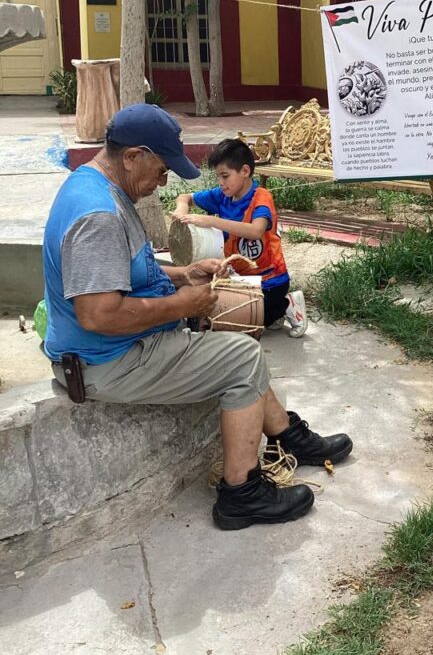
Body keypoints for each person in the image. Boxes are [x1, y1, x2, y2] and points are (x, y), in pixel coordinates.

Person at [42, 103, 352, 531]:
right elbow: (98, 314)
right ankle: (241, 495)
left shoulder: (93, 186)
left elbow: (121, 272)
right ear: (132, 156)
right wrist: (183, 305)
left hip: (108, 351)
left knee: (235, 351)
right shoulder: (98, 215)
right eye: (162, 169)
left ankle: (290, 438)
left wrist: (182, 274)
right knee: (244, 358)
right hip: (106, 361)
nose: (163, 181)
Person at [172, 138, 307, 337]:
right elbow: (185, 197)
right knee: (209, 306)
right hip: (238, 277)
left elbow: (255, 231)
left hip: (269, 281)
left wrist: (211, 221)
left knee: (234, 321)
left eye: (225, 176)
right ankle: (271, 315)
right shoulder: (222, 196)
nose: (221, 182)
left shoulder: (261, 197)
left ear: (244, 171)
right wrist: (181, 211)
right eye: (218, 176)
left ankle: (287, 304)